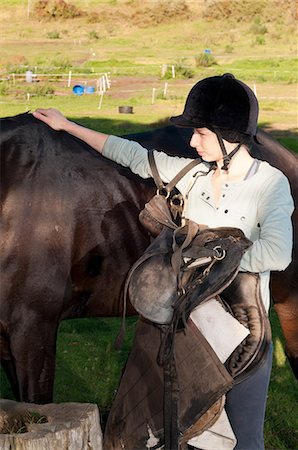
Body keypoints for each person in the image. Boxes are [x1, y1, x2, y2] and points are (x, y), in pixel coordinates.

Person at [33, 73, 294, 449]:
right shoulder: (194, 176)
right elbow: (134, 155)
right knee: (182, 436)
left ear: (230, 135)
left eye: (201, 133)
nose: (192, 142)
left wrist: (202, 257)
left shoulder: (269, 184)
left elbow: (277, 252)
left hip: (243, 337)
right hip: (187, 331)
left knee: (245, 441)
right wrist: (66, 125)